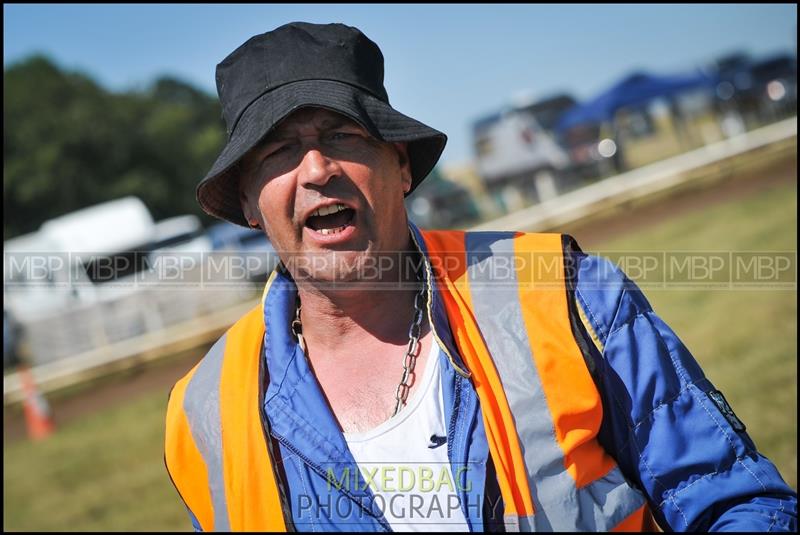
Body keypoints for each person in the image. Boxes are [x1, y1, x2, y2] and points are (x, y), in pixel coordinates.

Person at [164, 22, 797, 532]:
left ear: (400, 164)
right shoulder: (203, 413)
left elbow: (730, 501)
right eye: (277, 150)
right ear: (249, 202)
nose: (317, 167)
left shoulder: (564, 294)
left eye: (342, 133)